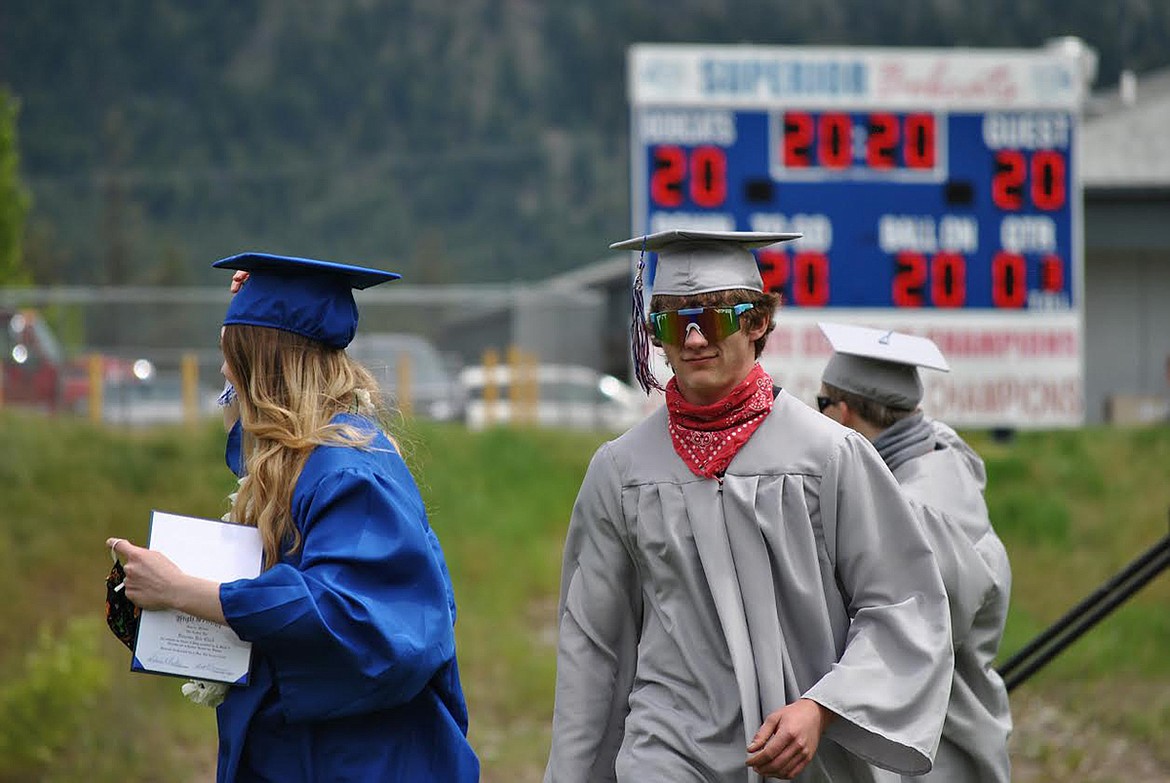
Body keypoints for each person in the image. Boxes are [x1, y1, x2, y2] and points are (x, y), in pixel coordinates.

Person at [544, 229, 954, 783]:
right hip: (665, 750)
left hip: (802, 753)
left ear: (756, 323)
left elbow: (902, 604)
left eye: (712, 319)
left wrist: (823, 707)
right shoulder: (621, 471)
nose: (692, 340)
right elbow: (593, 645)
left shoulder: (827, 456)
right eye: (671, 322)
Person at [105, 252, 479, 782]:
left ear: (264, 364)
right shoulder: (300, 465)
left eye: (229, 352)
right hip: (300, 752)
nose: (222, 370)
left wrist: (186, 592)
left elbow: (347, 615)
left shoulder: (348, 473)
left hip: (362, 762)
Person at [815, 321, 1012, 783]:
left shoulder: (919, 514)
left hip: (939, 757)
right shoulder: (943, 458)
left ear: (842, 413)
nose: (816, 413)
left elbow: (903, 642)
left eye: (821, 402)